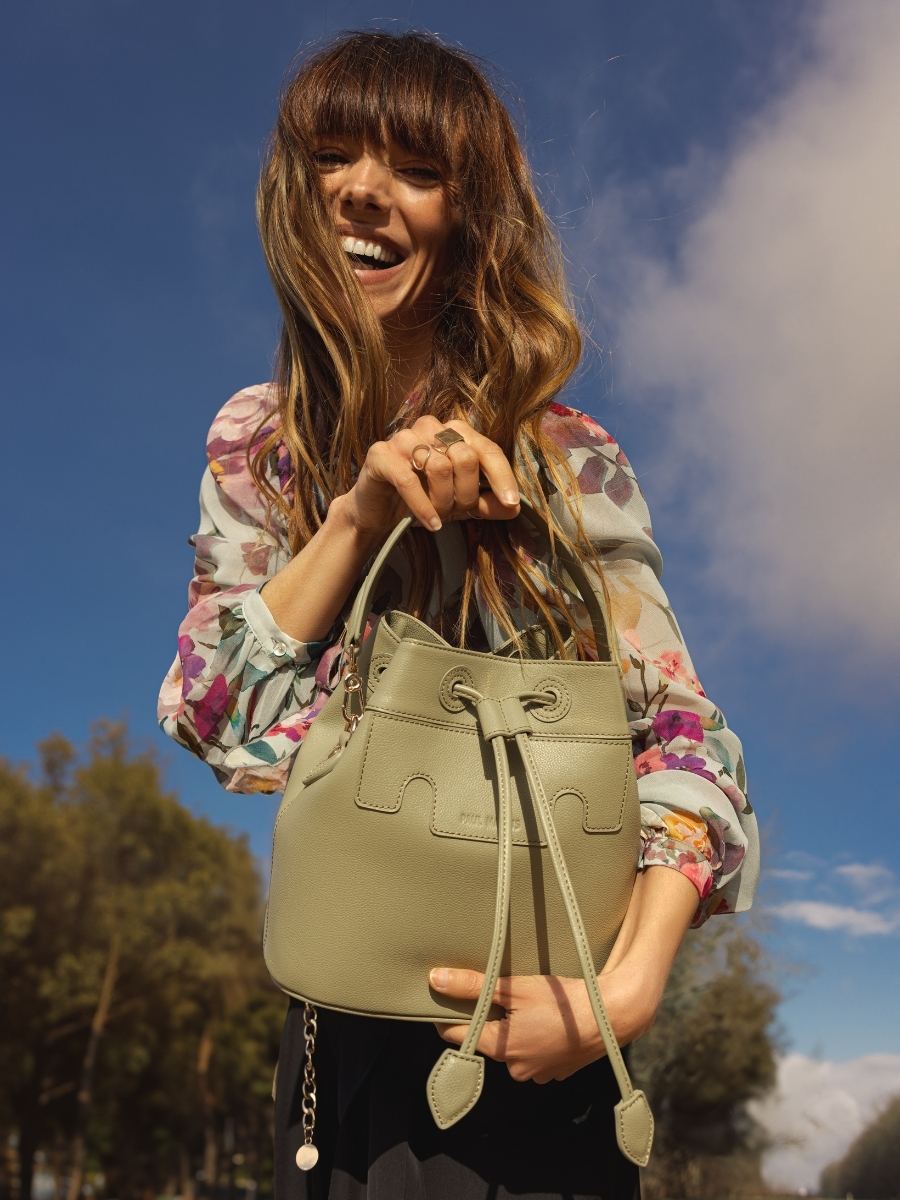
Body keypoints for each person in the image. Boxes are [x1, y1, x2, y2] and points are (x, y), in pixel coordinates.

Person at [157, 28, 759, 1200]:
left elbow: (688, 736)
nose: (367, 189)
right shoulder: (258, 444)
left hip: (553, 1033)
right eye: (337, 153)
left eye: (417, 170)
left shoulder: (565, 453)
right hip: (342, 1032)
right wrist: (355, 518)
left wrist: (621, 997)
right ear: (298, 185)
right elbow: (219, 718)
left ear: (468, 214)